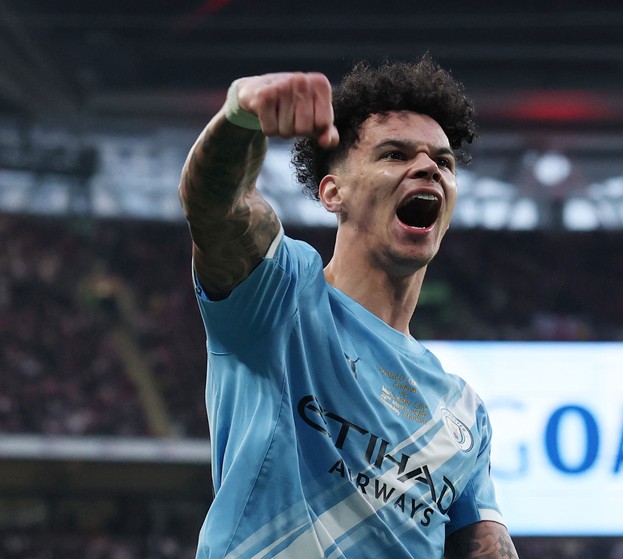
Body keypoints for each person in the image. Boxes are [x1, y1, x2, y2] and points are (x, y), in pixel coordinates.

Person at [179, 55, 519, 559]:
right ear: (333, 192)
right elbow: (218, 207)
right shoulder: (282, 297)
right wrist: (240, 115)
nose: (427, 167)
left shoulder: (463, 412)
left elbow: (486, 548)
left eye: (442, 162)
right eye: (394, 155)